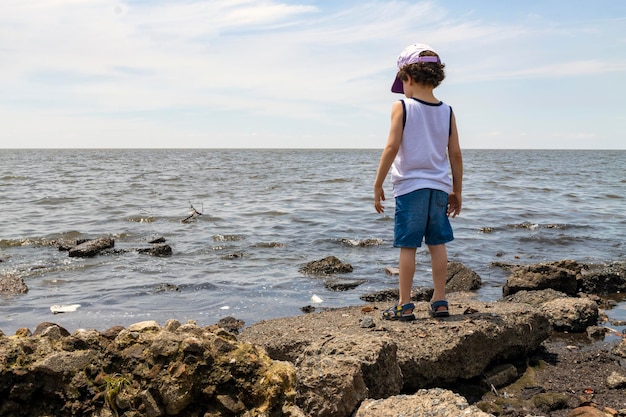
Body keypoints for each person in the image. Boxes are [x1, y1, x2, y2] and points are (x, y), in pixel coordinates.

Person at [374, 43, 463, 320]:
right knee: (438, 244)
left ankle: (404, 304)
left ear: (408, 78)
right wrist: (457, 190)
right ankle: (440, 301)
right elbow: (455, 154)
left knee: (408, 246)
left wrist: (378, 184)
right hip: (439, 188)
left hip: (410, 187)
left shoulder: (402, 106)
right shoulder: (447, 111)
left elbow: (391, 147)